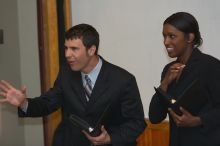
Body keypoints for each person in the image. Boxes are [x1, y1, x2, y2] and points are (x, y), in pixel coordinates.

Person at [0, 24, 146, 146]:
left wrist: (109, 138)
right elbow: (48, 103)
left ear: (91, 50)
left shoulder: (122, 79)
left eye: (74, 49)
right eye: (66, 48)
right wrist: (24, 103)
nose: (67, 54)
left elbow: (137, 123)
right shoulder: (66, 73)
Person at [149, 12, 220, 146]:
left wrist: (198, 120)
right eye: (164, 36)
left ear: (189, 37)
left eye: (172, 36)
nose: (166, 42)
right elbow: (154, 117)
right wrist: (164, 83)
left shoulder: (211, 66)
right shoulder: (168, 70)